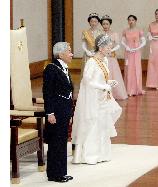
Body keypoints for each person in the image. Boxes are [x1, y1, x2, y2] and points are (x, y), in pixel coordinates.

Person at [71, 34, 122, 164]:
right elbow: (87, 81)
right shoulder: (91, 62)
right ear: (100, 47)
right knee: (93, 124)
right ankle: (89, 155)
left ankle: (102, 154)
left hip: (103, 98)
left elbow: (101, 78)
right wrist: (104, 86)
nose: (110, 50)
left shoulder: (104, 61)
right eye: (108, 47)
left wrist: (109, 82)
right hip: (93, 99)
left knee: (102, 125)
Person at [43, 42, 74, 183]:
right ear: (60, 54)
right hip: (56, 112)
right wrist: (49, 113)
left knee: (62, 142)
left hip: (64, 110)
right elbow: (47, 92)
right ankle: (54, 174)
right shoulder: (51, 68)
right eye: (69, 51)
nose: (72, 54)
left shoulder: (64, 68)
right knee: (55, 143)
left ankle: (61, 172)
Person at [101, 14, 128, 100]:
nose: (105, 26)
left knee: (113, 75)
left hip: (111, 57)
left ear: (110, 24)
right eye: (104, 24)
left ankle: (115, 94)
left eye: (107, 24)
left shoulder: (114, 34)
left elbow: (118, 45)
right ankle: (103, 94)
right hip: (102, 57)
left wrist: (111, 50)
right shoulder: (100, 33)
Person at [121, 15, 146, 96]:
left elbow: (144, 41)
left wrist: (137, 48)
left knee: (136, 69)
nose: (131, 21)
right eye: (129, 20)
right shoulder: (125, 31)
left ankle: (136, 89)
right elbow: (122, 41)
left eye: (132, 20)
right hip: (128, 52)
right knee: (128, 69)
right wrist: (127, 47)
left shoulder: (139, 30)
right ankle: (129, 89)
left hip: (136, 52)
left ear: (135, 21)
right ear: (128, 21)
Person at [81, 13, 103, 79]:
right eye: (92, 21)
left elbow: (103, 44)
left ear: (98, 22)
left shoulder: (101, 32)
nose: (93, 23)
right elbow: (83, 44)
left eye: (95, 21)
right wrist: (87, 51)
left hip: (98, 55)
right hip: (88, 55)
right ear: (89, 22)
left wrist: (97, 51)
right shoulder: (85, 32)